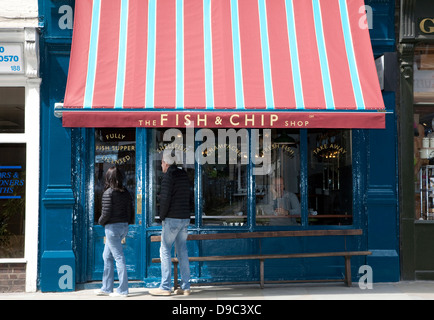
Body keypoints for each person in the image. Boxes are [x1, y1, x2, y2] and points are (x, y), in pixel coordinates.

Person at [149, 151, 191, 296]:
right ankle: (186, 287)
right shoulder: (184, 175)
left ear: (166, 163)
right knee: (182, 251)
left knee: (165, 250)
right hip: (184, 218)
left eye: (161, 162)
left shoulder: (168, 176)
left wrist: (161, 217)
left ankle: (165, 287)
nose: (161, 165)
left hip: (172, 219)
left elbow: (165, 199)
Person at [95, 166, 133, 297]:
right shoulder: (126, 192)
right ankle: (106, 288)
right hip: (123, 227)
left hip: (112, 228)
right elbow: (130, 211)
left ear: (109, 178)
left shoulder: (108, 193)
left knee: (118, 258)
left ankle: (123, 290)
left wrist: (100, 222)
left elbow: (105, 214)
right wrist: (126, 223)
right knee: (107, 256)